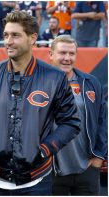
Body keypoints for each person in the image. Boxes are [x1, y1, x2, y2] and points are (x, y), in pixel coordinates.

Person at [0, 11, 80, 195]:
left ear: (32, 38)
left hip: (37, 182)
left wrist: (44, 149)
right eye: (6, 35)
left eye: (15, 35)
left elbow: (71, 123)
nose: (8, 41)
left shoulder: (55, 78)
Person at [49, 35, 107, 195]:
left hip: (87, 168)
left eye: (71, 53)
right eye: (62, 53)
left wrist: (99, 156)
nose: (67, 58)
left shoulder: (91, 82)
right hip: (50, 171)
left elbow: (103, 120)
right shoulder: (38, 83)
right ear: (51, 54)